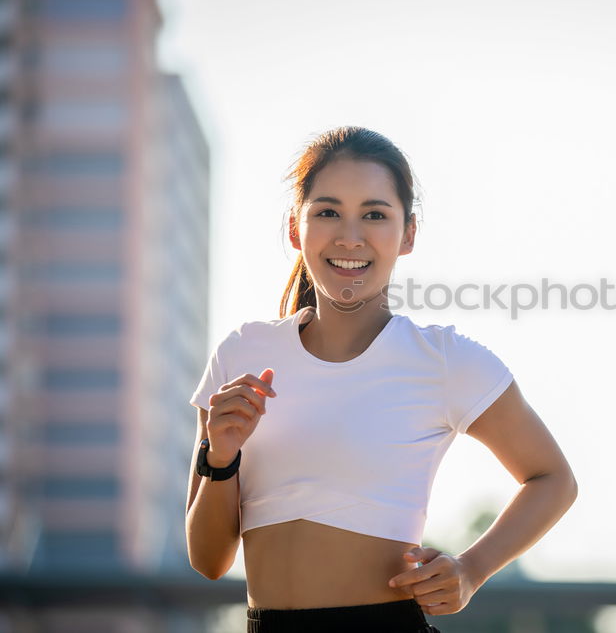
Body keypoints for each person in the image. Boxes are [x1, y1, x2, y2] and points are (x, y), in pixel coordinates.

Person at [184, 126, 578, 632]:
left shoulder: (443, 360)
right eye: (327, 212)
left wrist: (472, 570)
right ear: (293, 229)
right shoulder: (242, 354)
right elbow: (208, 560)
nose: (350, 236)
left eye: (375, 214)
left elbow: (554, 479)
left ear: (408, 234)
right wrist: (221, 456)